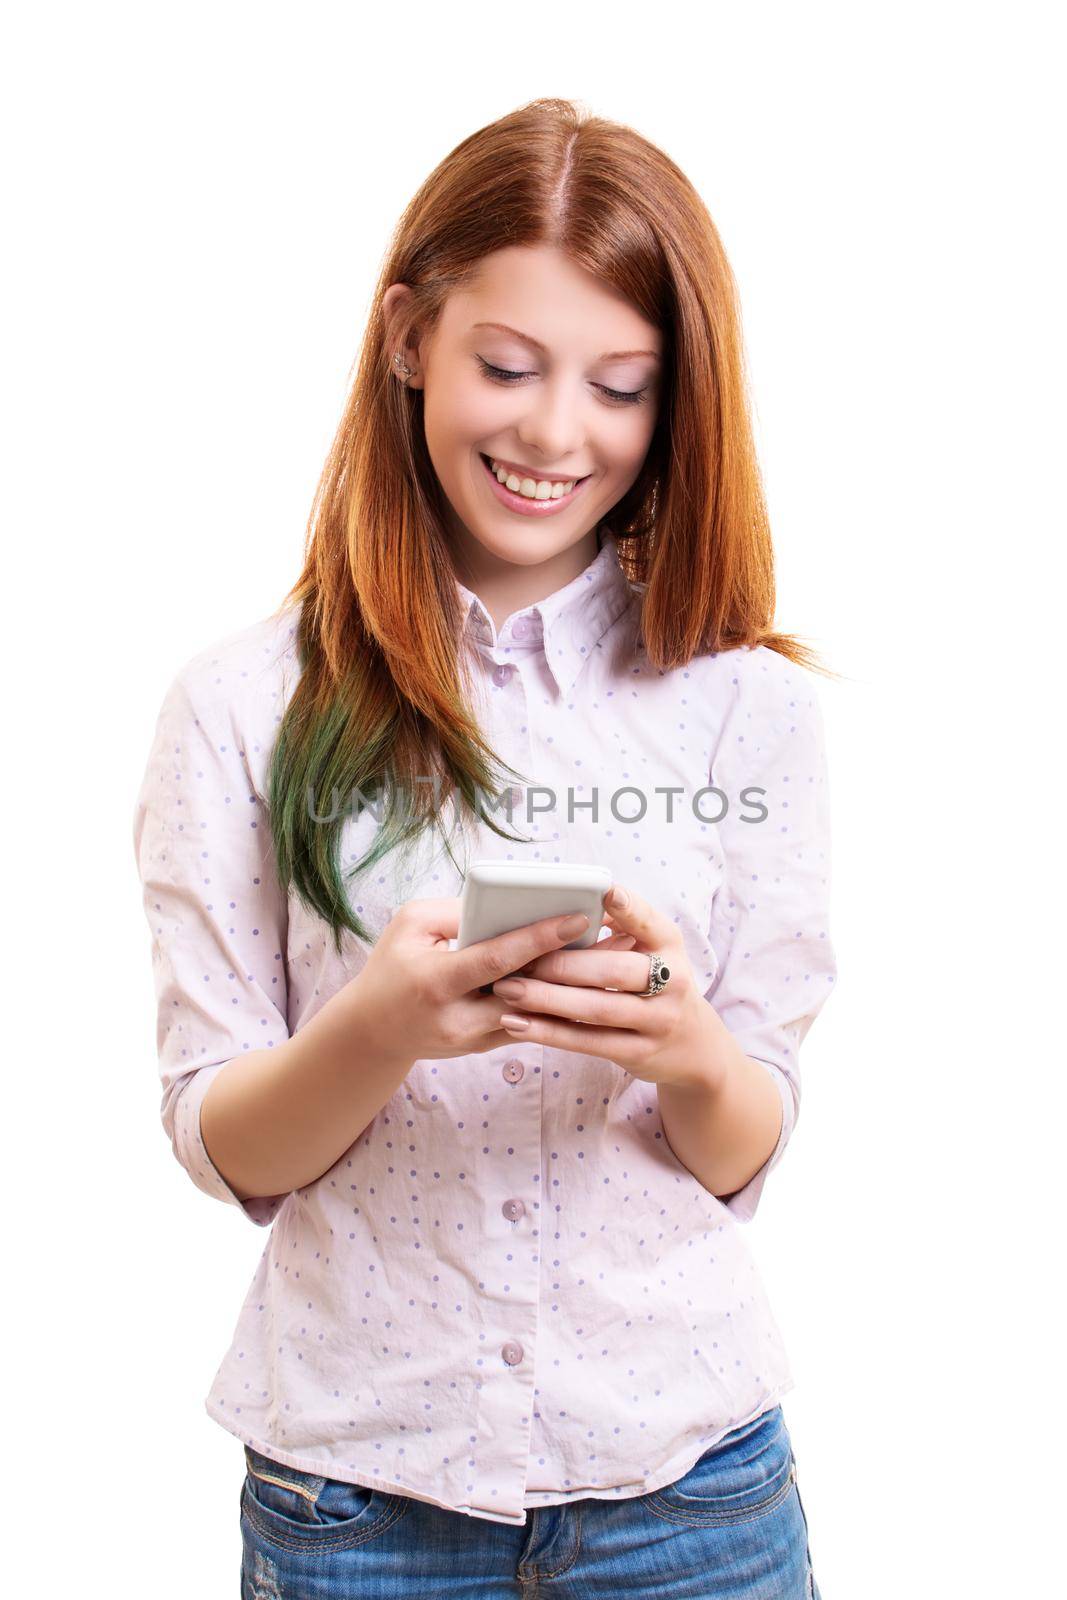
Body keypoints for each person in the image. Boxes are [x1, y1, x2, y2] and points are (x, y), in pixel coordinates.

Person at [132, 96, 835, 1600]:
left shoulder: (746, 710)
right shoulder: (241, 709)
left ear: (676, 407)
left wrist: (691, 1053)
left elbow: (748, 1132)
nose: (553, 433)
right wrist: (376, 1033)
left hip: (691, 1496)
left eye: (621, 388)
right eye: (506, 366)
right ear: (408, 342)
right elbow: (214, 1136)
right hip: (356, 1498)